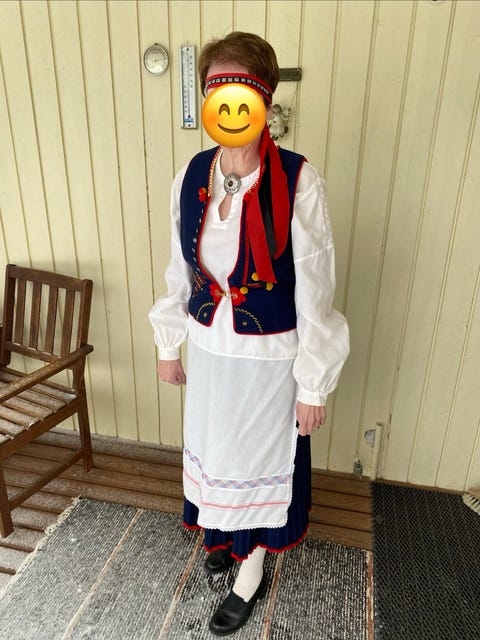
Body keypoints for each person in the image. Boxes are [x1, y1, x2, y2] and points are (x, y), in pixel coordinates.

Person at [149, 31, 349, 637]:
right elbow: (180, 267)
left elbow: (316, 289)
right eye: (218, 89)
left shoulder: (298, 180)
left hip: (271, 360)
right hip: (211, 350)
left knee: (259, 459)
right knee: (216, 451)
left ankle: (250, 570)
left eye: (241, 89)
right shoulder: (192, 174)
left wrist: (313, 386)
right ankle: (223, 538)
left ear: (264, 97)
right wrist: (168, 342)